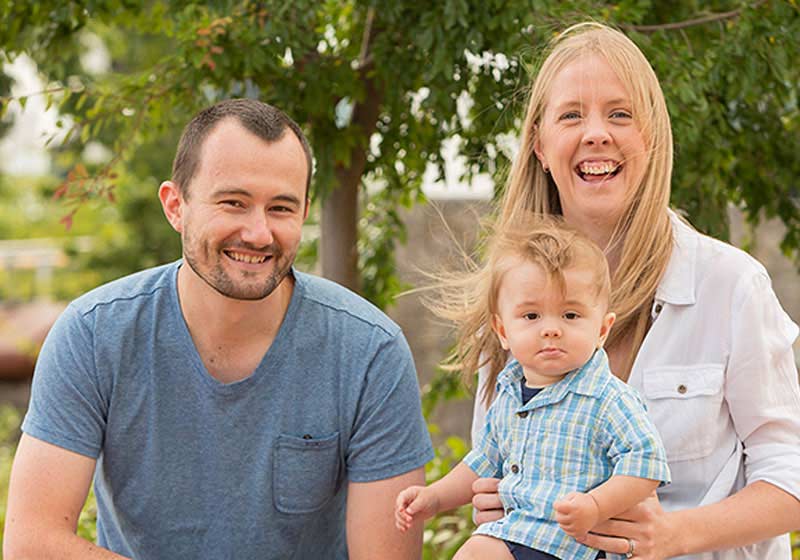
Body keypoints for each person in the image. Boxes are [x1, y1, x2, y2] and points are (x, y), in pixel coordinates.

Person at [3, 99, 434, 559]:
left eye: (281, 208)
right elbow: (33, 544)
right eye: (234, 202)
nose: (258, 232)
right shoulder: (94, 335)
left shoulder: (369, 352)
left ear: (305, 210)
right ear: (176, 206)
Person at [467, 22, 800, 559]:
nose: (596, 133)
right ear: (539, 145)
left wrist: (674, 535)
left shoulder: (731, 286)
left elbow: (791, 474)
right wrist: (493, 500)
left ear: (651, 137)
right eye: (571, 115)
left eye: (619, 114)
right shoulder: (510, 304)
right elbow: (494, 465)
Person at [395, 217, 670, 560]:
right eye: (531, 316)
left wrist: (596, 505)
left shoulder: (607, 399)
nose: (551, 329)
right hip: (519, 533)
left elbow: (647, 463)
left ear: (602, 329)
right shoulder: (509, 395)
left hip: (574, 546)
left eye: (570, 315)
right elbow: (483, 461)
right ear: (502, 330)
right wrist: (434, 498)